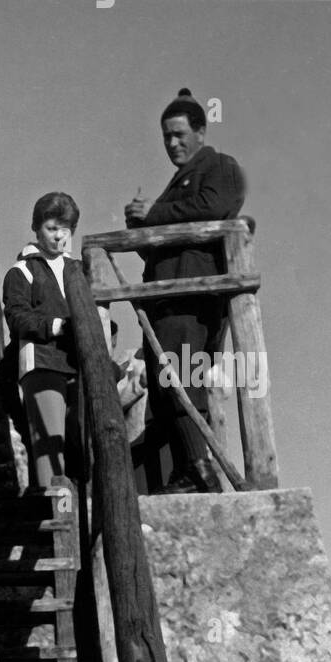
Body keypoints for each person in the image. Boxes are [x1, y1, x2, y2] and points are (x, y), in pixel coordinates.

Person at [124, 88, 245, 493]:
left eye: (179, 134)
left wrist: (154, 214)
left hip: (190, 299)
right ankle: (187, 470)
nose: (172, 144)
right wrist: (140, 227)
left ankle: (200, 470)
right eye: (166, 137)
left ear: (200, 131)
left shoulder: (219, 167)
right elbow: (156, 248)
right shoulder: (175, 187)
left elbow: (215, 205)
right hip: (164, 300)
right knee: (164, 387)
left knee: (179, 380)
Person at [2, 192, 81, 487]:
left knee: (81, 446)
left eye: (65, 228)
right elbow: (17, 318)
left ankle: (83, 519)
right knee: (51, 449)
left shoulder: (78, 269)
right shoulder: (21, 270)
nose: (58, 236)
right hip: (43, 364)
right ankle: (57, 522)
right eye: (51, 228)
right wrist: (59, 326)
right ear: (36, 228)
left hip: (78, 364)